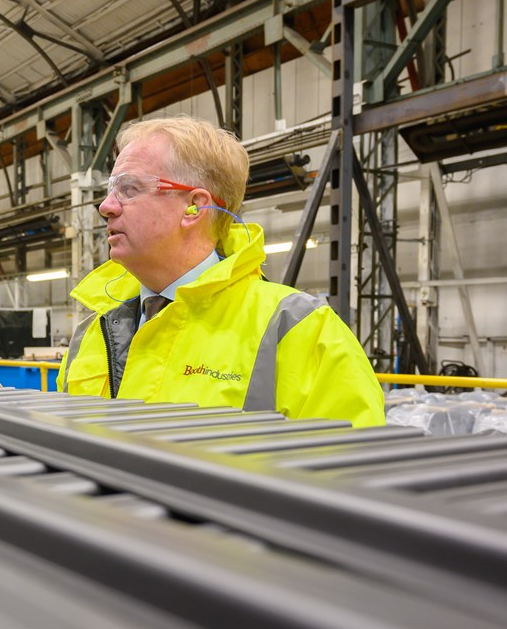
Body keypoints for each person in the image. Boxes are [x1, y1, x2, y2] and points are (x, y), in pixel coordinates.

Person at [57, 116, 384, 427]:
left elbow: (350, 474)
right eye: (111, 191)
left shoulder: (300, 331)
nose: (106, 207)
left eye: (129, 189)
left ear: (194, 207)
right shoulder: (95, 328)